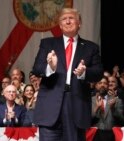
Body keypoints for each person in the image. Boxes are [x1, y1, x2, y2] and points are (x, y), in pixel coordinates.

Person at [32, 7, 103, 141]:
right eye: (64, 19)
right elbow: (37, 68)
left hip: (76, 104)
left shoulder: (91, 47)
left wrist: (84, 72)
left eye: (71, 18)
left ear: (79, 23)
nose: (68, 21)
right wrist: (51, 67)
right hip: (50, 105)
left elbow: (98, 73)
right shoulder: (47, 43)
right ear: (60, 25)